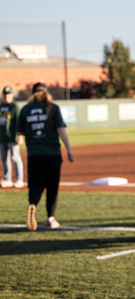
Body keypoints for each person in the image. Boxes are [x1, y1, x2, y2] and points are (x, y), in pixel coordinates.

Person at [16, 82, 75, 230]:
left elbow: (19, 133)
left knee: (35, 185)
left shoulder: (25, 109)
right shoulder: (53, 108)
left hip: (34, 154)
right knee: (52, 187)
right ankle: (50, 218)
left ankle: (32, 205)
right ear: (46, 93)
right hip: (52, 153)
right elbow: (61, 130)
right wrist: (69, 149)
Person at [0, 86, 24, 188]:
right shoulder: (0, 106)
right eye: (5, 95)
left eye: (9, 94)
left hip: (12, 138)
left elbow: (19, 122)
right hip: (2, 138)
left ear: (12, 95)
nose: (7, 96)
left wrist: (20, 136)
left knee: (15, 158)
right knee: (4, 159)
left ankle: (19, 179)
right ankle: (7, 179)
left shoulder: (15, 106)